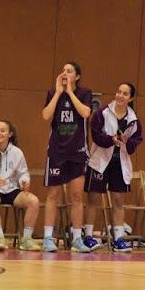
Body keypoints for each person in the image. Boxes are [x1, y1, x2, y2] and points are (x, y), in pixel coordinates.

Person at [84, 83, 143, 252]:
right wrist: (111, 140)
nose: (120, 96)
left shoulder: (134, 120)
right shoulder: (102, 113)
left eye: (125, 94)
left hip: (119, 163)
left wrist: (126, 140)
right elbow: (95, 136)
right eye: (118, 92)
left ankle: (118, 238)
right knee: (93, 199)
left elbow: (134, 146)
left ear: (130, 98)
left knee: (118, 200)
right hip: (100, 161)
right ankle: (88, 236)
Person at [42, 61, 92, 253]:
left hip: (77, 152)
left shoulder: (84, 93)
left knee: (77, 196)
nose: (64, 73)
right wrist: (57, 93)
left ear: (77, 76)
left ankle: (77, 239)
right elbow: (46, 116)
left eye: (69, 71)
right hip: (56, 152)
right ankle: (48, 238)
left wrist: (70, 92)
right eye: (62, 70)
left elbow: (86, 113)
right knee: (53, 195)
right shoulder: (52, 93)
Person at [0, 120, 41, 251]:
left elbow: (23, 172)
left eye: (2, 130)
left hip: (11, 189)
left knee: (34, 201)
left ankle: (26, 239)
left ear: (10, 134)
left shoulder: (17, 152)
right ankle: (0, 239)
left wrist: (25, 181)